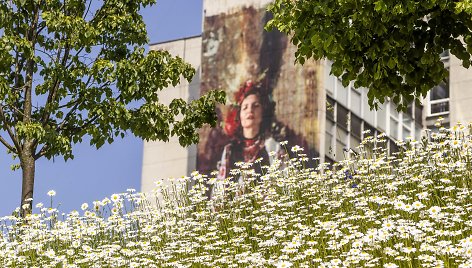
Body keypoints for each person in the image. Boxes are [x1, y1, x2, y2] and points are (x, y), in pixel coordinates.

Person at [216, 80, 281, 186]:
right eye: (245, 107)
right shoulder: (229, 151)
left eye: (256, 106)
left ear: (263, 112)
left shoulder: (272, 147)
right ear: (239, 116)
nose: (250, 110)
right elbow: (220, 189)